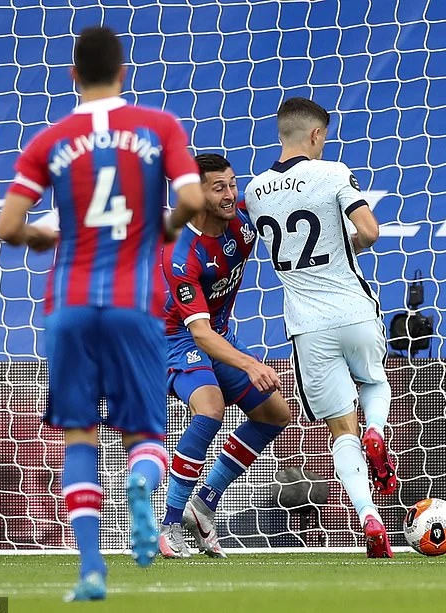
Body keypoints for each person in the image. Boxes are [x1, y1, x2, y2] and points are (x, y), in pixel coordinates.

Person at [0, 27, 204, 601]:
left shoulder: (50, 139)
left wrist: (40, 236)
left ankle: (91, 571)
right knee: (145, 431)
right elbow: (190, 200)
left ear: (72, 75)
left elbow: (7, 226)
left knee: (79, 437)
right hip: (134, 305)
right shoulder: (159, 127)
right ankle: (141, 481)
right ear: (123, 72)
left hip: (69, 307)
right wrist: (163, 228)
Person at [244, 97, 396, 558]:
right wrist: (346, 245)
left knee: (339, 431)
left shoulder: (254, 191)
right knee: (374, 381)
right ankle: (377, 431)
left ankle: (368, 516)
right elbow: (370, 231)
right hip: (353, 309)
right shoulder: (332, 172)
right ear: (315, 135)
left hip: (307, 326)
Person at [158, 154, 292, 559]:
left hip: (218, 334)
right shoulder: (181, 252)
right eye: (219, 188)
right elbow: (197, 332)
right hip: (176, 340)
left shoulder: (243, 220)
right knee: (211, 408)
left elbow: (284, 191)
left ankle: (204, 504)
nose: (231, 194)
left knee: (274, 414)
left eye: (232, 184)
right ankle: (169, 524)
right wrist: (250, 364)